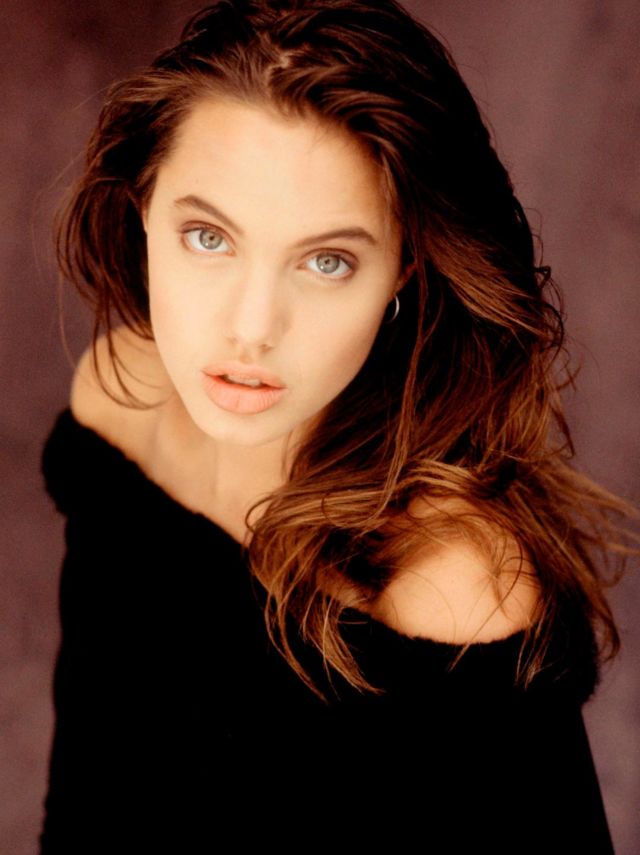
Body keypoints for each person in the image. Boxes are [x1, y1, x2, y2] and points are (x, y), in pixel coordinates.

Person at [38, 1, 638, 852]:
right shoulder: (119, 397)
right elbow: (87, 796)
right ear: (143, 208)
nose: (251, 327)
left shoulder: (449, 580)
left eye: (327, 261)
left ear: (404, 269)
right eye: (207, 236)